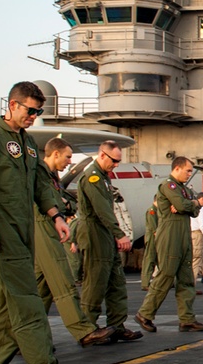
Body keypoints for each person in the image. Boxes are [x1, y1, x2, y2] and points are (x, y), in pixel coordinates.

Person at [0, 83, 79, 364]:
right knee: (28, 299)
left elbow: (40, 186)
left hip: (25, 229)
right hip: (2, 228)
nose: (33, 117)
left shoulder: (30, 145)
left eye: (38, 112)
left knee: (8, 303)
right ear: (12, 104)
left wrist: (57, 217)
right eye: (29, 110)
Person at [35, 137, 113, 348]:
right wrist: (60, 205)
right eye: (68, 156)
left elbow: (67, 203)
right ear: (55, 153)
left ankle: (23, 341)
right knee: (63, 283)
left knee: (40, 292)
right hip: (41, 228)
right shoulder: (38, 172)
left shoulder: (51, 177)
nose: (70, 161)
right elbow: (47, 202)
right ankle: (84, 330)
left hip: (50, 228)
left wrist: (62, 204)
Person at [135, 158, 203, 333]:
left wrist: (189, 205)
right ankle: (145, 313)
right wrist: (194, 203)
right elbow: (185, 205)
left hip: (184, 234)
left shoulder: (184, 189)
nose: (190, 174)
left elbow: (192, 211)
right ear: (177, 168)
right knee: (166, 276)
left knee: (186, 279)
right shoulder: (169, 186)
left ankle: (187, 319)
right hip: (170, 235)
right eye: (188, 170)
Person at [77, 140, 140, 342]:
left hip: (106, 235)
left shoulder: (104, 178)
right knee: (95, 283)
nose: (116, 165)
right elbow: (102, 210)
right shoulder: (93, 178)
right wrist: (119, 233)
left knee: (116, 283)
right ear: (102, 155)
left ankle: (117, 326)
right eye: (114, 160)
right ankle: (87, 329)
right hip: (95, 234)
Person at [140, 202, 158, 291]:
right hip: (152, 238)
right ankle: (145, 283)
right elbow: (153, 227)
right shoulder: (152, 211)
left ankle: (167, 281)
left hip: (156, 237)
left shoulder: (157, 210)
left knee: (161, 260)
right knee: (149, 259)